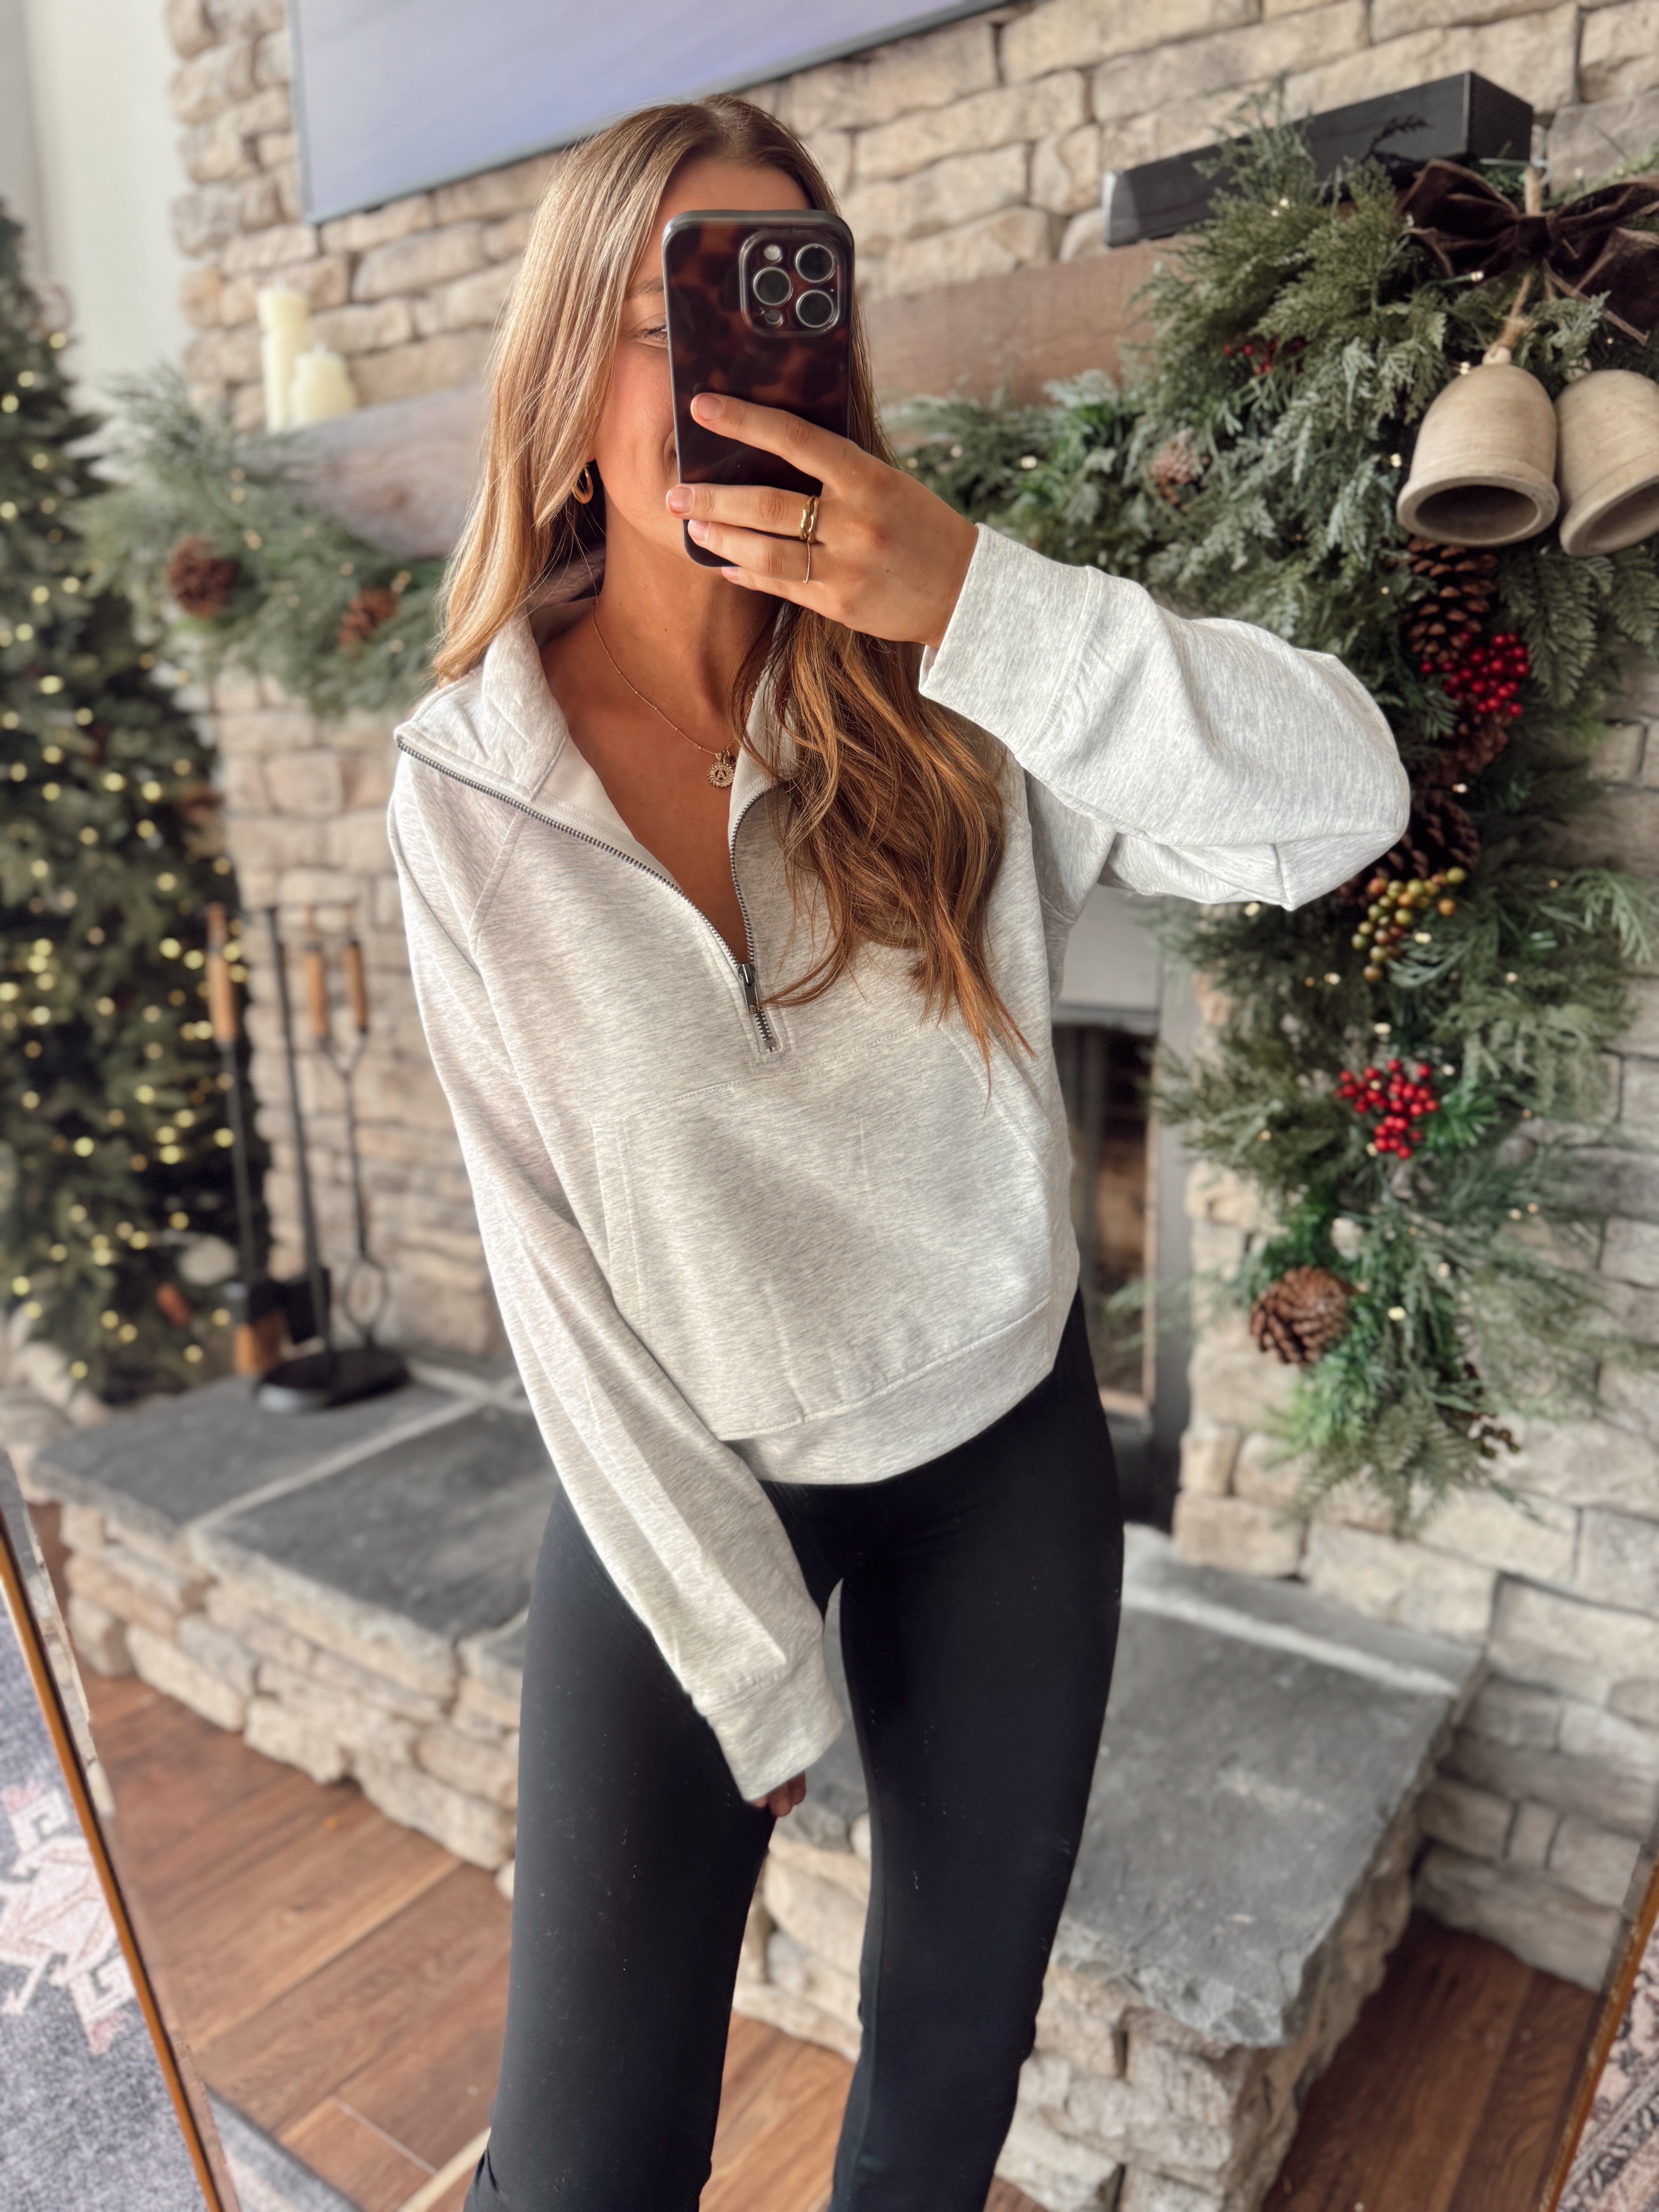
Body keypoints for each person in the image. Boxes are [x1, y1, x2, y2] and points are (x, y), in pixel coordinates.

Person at [385, 93, 1408, 2212]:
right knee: (579, 2168)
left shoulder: (954, 673)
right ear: (564, 377)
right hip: (686, 1487)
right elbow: (548, 1273)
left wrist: (977, 600)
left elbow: (1339, 807)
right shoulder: (474, 789)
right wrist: (752, 1677)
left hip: (1002, 1453)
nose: (723, 362)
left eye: (771, 301)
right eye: (667, 310)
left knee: (943, 2094)